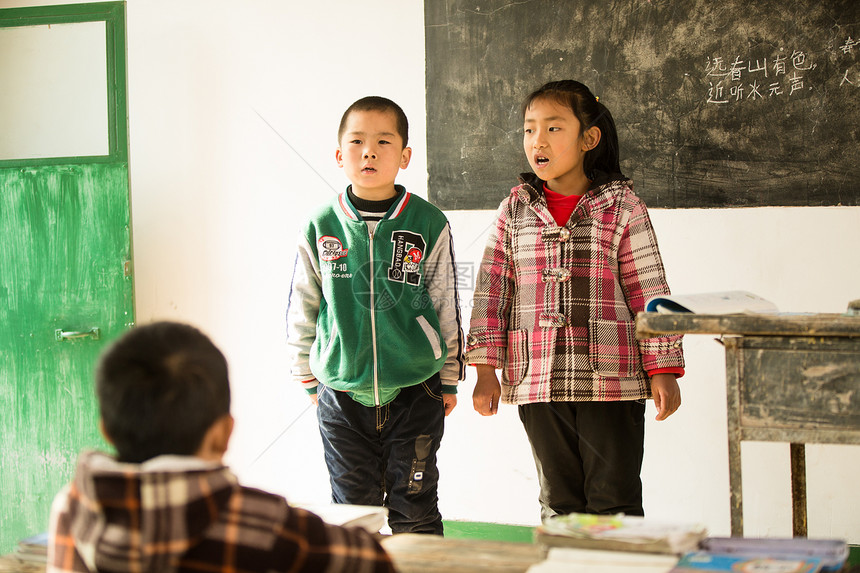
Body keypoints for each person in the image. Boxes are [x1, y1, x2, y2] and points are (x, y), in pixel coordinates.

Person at [467, 80, 685, 520]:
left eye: (553, 128)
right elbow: (492, 290)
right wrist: (485, 368)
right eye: (529, 130)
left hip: (610, 379)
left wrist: (663, 368)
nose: (538, 141)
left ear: (589, 139)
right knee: (559, 502)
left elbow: (650, 289)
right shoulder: (514, 210)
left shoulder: (623, 205)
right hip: (538, 377)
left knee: (615, 501)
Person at [47, 321, 395, 573]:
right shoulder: (267, 525)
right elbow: (375, 564)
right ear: (224, 434)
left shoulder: (73, 507)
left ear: (105, 430)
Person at [286, 96, 465, 535]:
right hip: (341, 395)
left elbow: (445, 300)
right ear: (338, 154)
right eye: (358, 141)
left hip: (416, 391)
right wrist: (306, 374)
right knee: (353, 517)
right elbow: (304, 302)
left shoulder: (427, 222)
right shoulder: (321, 224)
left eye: (384, 141)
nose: (369, 151)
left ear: (404, 156)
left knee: (416, 509)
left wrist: (449, 376)